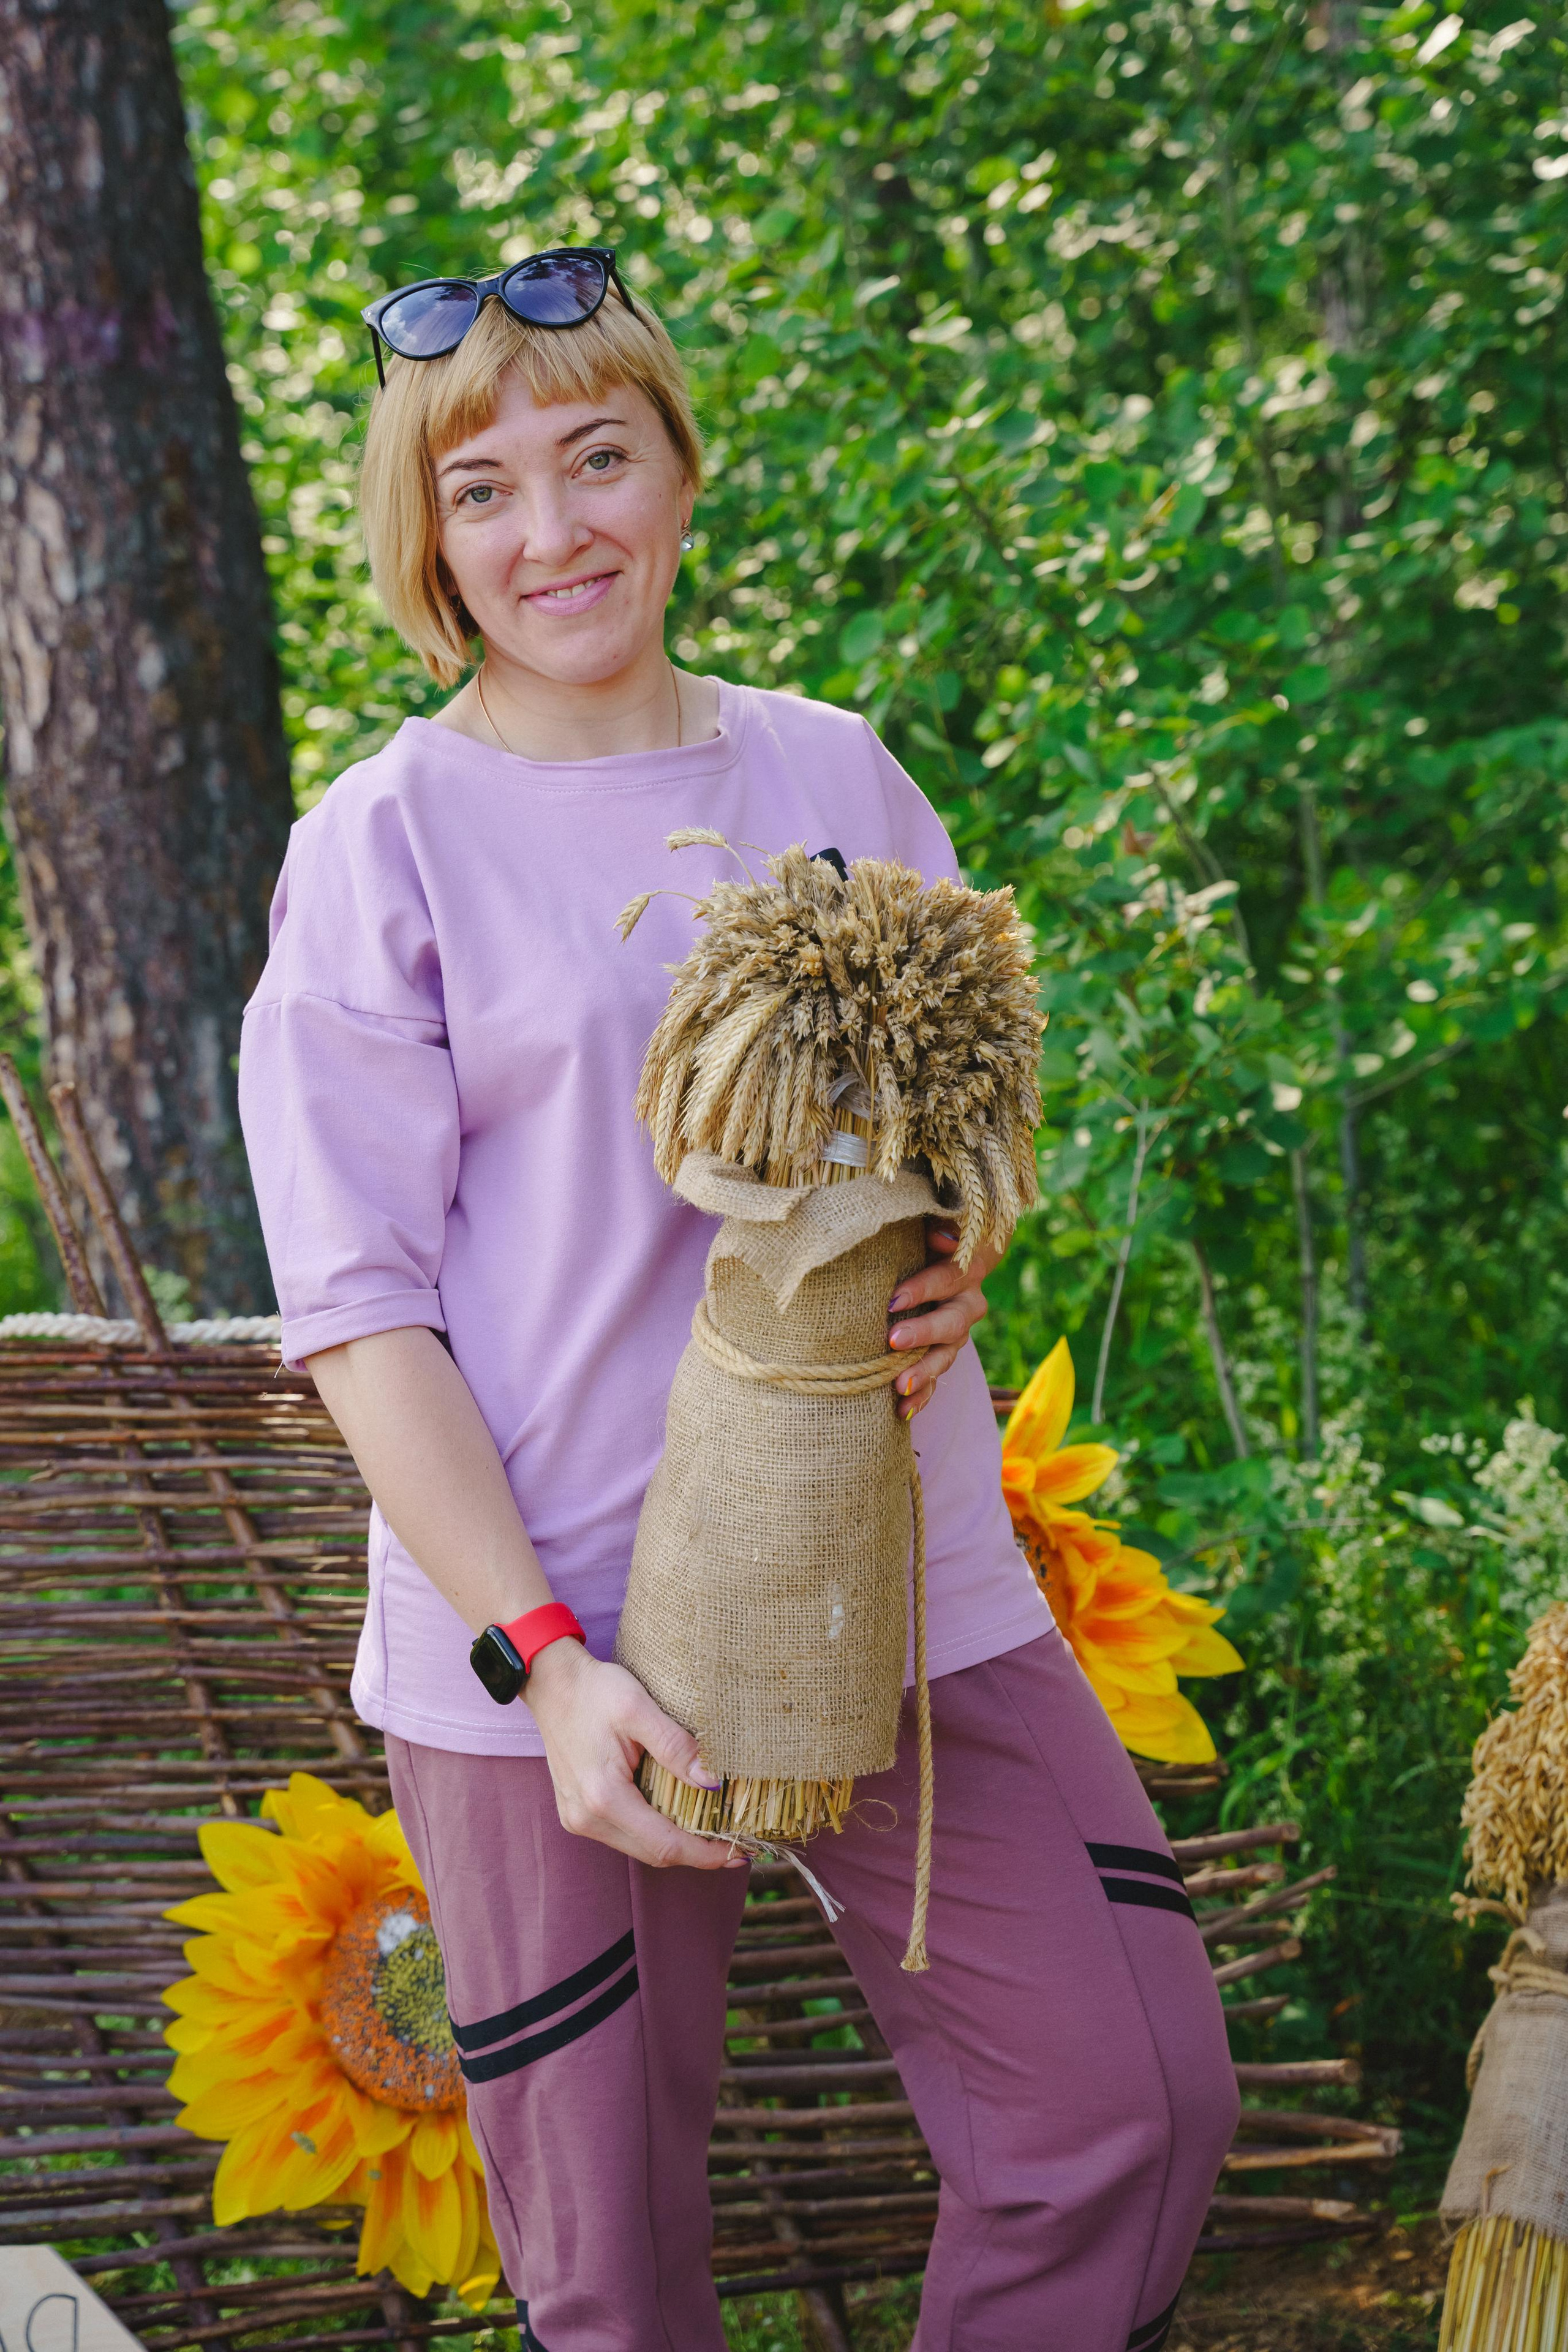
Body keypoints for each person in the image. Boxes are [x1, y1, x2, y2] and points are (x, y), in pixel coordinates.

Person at [238, 245, 1238, 2352]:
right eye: (483, 487)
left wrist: (960, 1262)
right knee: (611, 2279)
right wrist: (545, 1663)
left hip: (901, 1576)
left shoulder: (836, 776)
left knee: (1127, 2101)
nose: (554, 528)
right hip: (556, 1640)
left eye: (597, 457)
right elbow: (359, 1311)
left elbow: (949, 1129)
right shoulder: (384, 844)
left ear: (680, 475)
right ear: (425, 537)